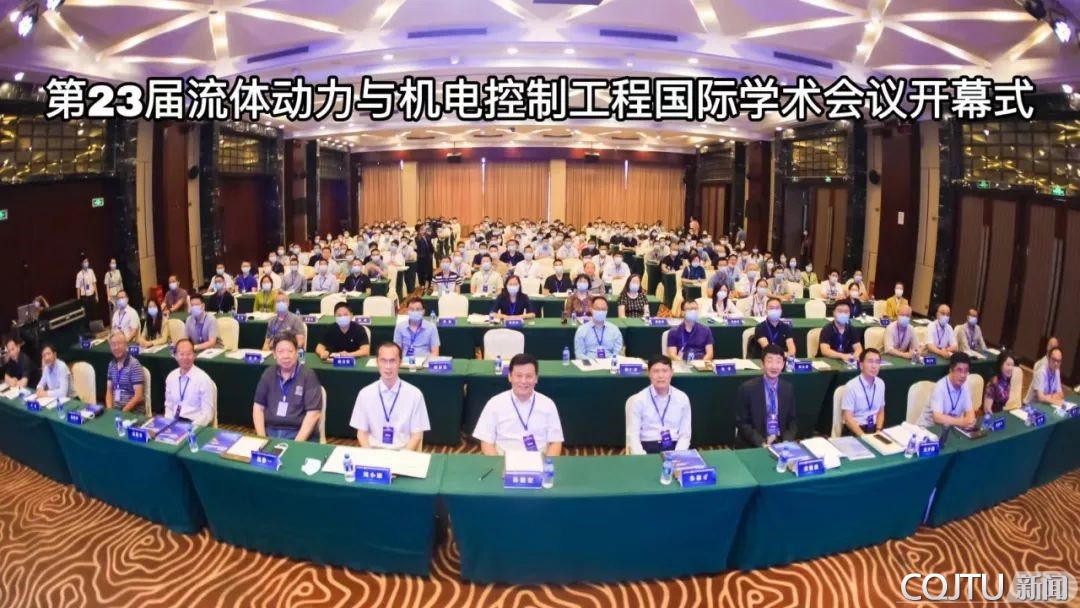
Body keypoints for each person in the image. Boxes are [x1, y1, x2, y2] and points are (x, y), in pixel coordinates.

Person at [473, 353, 564, 456]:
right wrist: (497, 463)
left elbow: (555, 442)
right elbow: (486, 441)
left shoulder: (548, 404)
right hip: (503, 458)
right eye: (519, 376)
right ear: (510, 377)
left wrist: (547, 463)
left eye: (529, 376)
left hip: (539, 459)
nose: (523, 381)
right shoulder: (494, 403)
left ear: (536, 378)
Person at [349, 342, 431, 450]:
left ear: (400, 362)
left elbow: (417, 436)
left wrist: (402, 456)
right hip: (373, 451)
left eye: (392, 361)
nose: (388, 366)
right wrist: (370, 455)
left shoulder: (415, 394)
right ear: (377, 362)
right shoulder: (365, 394)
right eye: (383, 361)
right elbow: (361, 434)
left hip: (403, 452)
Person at [252, 335, 322, 442]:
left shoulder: (308, 376)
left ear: (297, 352)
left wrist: (296, 444)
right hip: (270, 432)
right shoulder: (268, 374)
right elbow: (258, 408)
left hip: (299, 434)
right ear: (274, 354)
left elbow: (313, 414)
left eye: (290, 351)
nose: (286, 356)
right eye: (281, 351)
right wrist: (262, 439)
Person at [734, 344, 797, 449]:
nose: (774, 366)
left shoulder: (788, 389)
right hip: (753, 444)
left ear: (783, 365)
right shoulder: (747, 388)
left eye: (778, 361)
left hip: (780, 443)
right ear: (762, 364)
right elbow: (742, 423)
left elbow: (792, 421)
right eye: (769, 361)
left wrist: (786, 441)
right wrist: (762, 443)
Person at [626, 355, 692, 454]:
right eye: (656, 371)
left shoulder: (682, 398)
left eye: (665, 371)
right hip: (647, 445)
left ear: (671, 372)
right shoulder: (639, 400)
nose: (661, 375)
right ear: (649, 374)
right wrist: (642, 458)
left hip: (675, 445)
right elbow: (633, 435)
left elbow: (685, 434)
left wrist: (678, 455)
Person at [162, 338, 216, 427]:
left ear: (194, 355)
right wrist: (169, 423)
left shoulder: (203, 379)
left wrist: (190, 428)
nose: (185, 358)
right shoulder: (171, 377)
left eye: (188, 354)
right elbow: (168, 406)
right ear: (175, 356)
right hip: (174, 423)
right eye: (181, 354)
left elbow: (207, 414)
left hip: (195, 424)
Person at [917, 352, 975, 428]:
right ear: (951, 370)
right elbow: (937, 417)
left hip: (949, 428)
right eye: (959, 370)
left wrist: (970, 421)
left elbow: (970, 412)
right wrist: (962, 422)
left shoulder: (966, 385)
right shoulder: (939, 387)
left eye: (966, 371)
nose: (963, 375)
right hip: (928, 428)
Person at [840, 348, 886, 436]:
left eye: (877, 362)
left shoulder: (880, 383)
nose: (874, 366)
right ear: (861, 365)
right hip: (855, 429)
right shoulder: (851, 386)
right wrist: (864, 436)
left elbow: (881, 411)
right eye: (870, 362)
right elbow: (848, 418)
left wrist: (878, 430)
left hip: (874, 428)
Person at [104, 331, 145, 413]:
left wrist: (122, 412)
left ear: (126, 345)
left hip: (132, 412)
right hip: (115, 410)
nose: (116, 347)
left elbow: (138, 396)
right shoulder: (111, 365)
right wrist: (109, 411)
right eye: (113, 345)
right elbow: (109, 391)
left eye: (119, 344)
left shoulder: (134, 365)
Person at [75, 257, 99, 321]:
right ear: (82, 264)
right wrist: (79, 301)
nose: (87, 263)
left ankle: (95, 325)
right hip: (85, 298)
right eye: (85, 262)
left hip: (92, 296)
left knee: (94, 313)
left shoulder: (91, 271)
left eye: (87, 261)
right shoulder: (79, 274)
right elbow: (78, 288)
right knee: (87, 315)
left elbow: (94, 283)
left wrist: (97, 295)